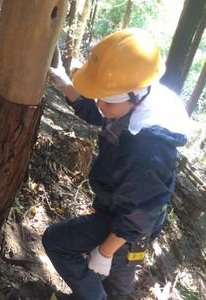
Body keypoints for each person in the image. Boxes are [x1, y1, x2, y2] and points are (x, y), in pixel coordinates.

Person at [43, 28, 190, 300]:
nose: (100, 104)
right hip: (117, 210)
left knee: (112, 279)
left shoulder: (147, 147)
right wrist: (67, 85)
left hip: (129, 227)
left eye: (107, 99)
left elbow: (140, 214)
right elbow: (104, 112)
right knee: (110, 276)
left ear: (136, 96)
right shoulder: (134, 98)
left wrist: (105, 251)